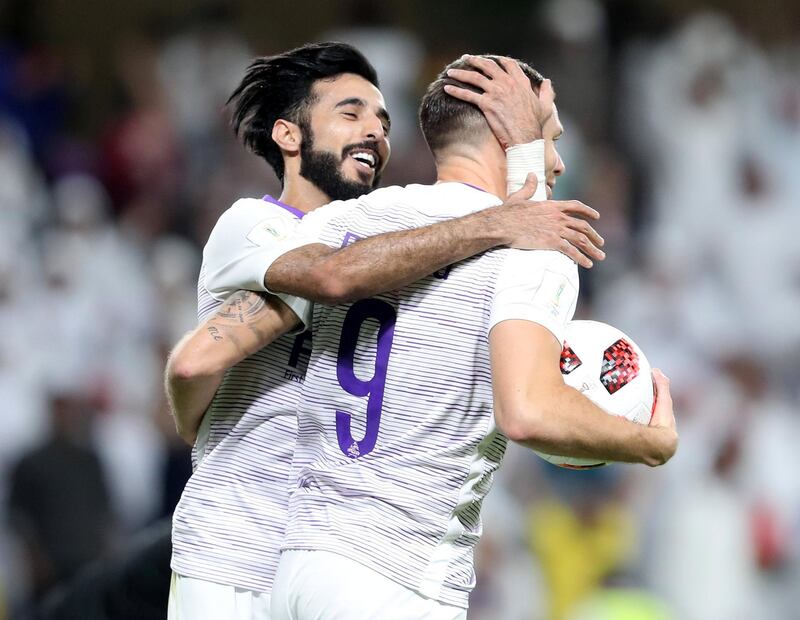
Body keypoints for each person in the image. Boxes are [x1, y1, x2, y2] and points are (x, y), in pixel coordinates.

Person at [172, 54, 677, 619]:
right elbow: (528, 413)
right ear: (513, 136)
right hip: (397, 571)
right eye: (551, 139)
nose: (557, 161)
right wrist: (649, 445)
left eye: (384, 121)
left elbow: (200, 357)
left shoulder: (345, 229)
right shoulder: (532, 246)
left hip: (298, 563)